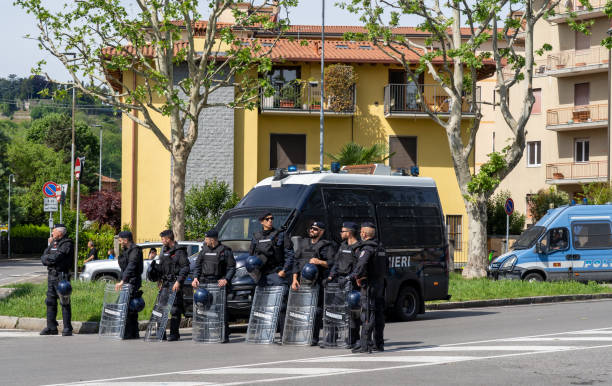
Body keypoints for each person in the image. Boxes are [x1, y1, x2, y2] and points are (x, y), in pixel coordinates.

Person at [249, 212, 294, 338]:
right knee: (263, 305)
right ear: (261, 221)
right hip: (262, 275)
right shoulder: (256, 236)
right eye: (267, 219)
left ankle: (284, 335)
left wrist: (284, 270)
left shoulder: (281, 235)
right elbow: (251, 256)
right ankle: (265, 334)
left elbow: (290, 255)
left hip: (276, 273)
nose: (270, 221)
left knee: (281, 305)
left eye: (272, 219)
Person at [291, 221, 336, 346]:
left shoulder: (327, 246)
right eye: (311, 228)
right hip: (304, 283)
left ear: (321, 231)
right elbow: (296, 261)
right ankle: (305, 335)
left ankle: (319, 337)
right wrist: (294, 279)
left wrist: (319, 262)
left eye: (315, 229)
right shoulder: (303, 243)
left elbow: (332, 264)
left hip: (320, 282)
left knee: (319, 310)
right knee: (306, 310)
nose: (312, 230)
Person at [192, 229, 236, 343]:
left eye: (206, 238)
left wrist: (226, 279)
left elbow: (231, 268)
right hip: (205, 282)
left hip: (218, 284)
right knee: (203, 309)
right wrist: (195, 278)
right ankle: (204, 333)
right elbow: (198, 266)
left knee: (220, 310)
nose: (205, 240)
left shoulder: (225, 251)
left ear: (212, 239)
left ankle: (223, 335)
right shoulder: (204, 250)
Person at [148, 229, 189, 341]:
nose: (162, 241)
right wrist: (159, 280)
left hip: (175, 283)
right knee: (161, 308)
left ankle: (174, 334)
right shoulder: (164, 251)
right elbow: (161, 267)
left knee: (175, 310)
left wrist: (178, 281)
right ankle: (161, 333)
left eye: (163, 239)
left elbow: (185, 268)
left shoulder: (180, 251)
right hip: (165, 283)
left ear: (168, 239)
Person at [351, 222, 386, 353]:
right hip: (380, 284)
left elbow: (361, 265)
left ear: (364, 234)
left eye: (361, 231)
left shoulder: (367, 248)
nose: (360, 233)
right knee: (379, 315)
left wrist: (354, 277)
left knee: (367, 314)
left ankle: (365, 345)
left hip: (369, 285)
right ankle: (379, 344)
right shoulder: (381, 248)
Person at [326, 221, 361, 348]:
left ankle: (353, 339)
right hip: (340, 282)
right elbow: (336, 263)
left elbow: (359, 268)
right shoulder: (342, 246)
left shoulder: (358, 247)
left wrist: (348, 278)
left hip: (351, 283)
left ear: (349, 232)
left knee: (352, 312)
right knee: (334, 309)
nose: (340, 233)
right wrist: (330, 277)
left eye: (343, 231)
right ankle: (332, 337)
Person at [39, 224, 74, 336]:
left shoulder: (67, 243)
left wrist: (48, 259)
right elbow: (43, 257)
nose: (52, 233)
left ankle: (67, 328)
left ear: (60, 232)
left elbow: (56, 257)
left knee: (64, 302)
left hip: (61, 277)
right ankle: (51, 327)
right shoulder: (53, 243)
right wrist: (48, 258)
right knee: (50, 302)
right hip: (51, 276)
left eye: (53, 231)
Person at [115, 231, 144, 339]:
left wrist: (123, 280)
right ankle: (133, 333)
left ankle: (128, 332)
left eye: (120, 239)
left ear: (126, 240)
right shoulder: (126, 250)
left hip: (132, 281)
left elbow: (131, 266)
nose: (119, 241)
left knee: (126, 307)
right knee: (130, 307)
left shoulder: (135, 250)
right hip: (128, 280)